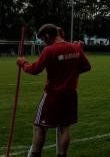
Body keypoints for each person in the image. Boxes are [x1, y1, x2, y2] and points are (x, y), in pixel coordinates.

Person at [16, 24, 91, 157]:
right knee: (65, 127)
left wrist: (23, 63)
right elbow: (86, 67)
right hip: (70, 94)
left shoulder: (49, 50)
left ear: (47, 36)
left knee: (39, 126)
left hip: (53, 94)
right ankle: (62, 155)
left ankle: (35, 154)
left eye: (43, 39)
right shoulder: (76, 47)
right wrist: (72, 72)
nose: (44, 42)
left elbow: (35, 69)